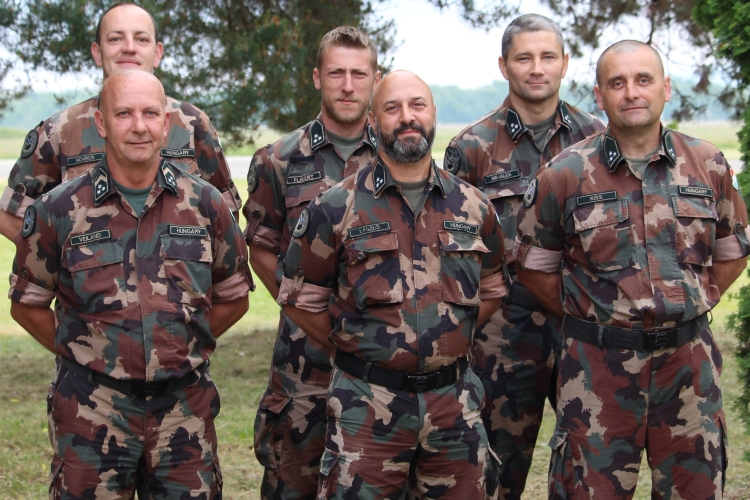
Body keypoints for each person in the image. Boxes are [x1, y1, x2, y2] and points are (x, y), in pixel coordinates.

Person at [515, 40, 748, 499]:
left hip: (688, 369)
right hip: (598, 371)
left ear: (666, 88)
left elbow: (732, 252)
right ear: (599, 96)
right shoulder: (564, 174)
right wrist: (595, 316)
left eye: (643, 80)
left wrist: (687, 304)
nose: (632, 92)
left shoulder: (707, 164)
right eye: (617, 83)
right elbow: (535, 269)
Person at [9, 70, 254, 498]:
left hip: (183, 412)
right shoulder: (58, 209)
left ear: (166, 123)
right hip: (92, 413)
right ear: (101, 123)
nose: (138, 126)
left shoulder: (206, 205)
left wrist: (177, 348)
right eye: (123, 114)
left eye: (150, 113)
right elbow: (27, 305)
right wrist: (91, 354)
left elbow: (234, 297)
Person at [278, 70, 507, 499]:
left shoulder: (474, 206)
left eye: (417, 105)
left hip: (454, 405)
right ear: (372, 120)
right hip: (367, 405)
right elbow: (299, 300)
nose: (407, 117)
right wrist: (356, 345)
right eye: (392, 108)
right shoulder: (335, 207)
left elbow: (493, 288)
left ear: (433, 112)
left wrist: (447, 337)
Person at [443, 14, 606, 498]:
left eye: (547, 57)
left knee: (589, 469)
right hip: (502, 338)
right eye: (524, 58)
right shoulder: (472, 148)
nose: (537, 68)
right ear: (504, 65)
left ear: (565, 64)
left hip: (581, 330)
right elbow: (454, 252)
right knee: (495, 473)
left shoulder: (598, 137)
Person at [243, 26, 380, 499]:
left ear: (374, 79)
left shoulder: (397, 156)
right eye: (337, 73)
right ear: (318, 77)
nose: (348, 86)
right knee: (293, 483)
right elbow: (261, 246)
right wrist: (304, 311)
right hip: (303, 364)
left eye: (359, 74)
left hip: (380, 358)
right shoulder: (278, 160)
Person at [0, 2, 241, 241]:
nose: (129, 48)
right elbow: (13, 216)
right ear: (97, 52)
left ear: (157, 53)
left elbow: (225, 214)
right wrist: (67, 259)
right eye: (115, 39)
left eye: (141, 39)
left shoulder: (193, 124)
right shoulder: (59, 130)